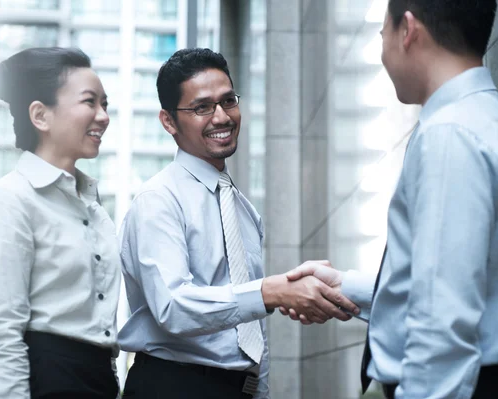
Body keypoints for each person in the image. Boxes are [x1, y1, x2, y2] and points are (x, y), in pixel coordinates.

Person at [283, 1, 498, 398]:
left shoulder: (452, 135)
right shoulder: (490, 122)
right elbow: (466, 281)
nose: (382, 48)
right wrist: (346, 285)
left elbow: (442, 323)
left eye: (382, 33)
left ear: (407, 30)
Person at [117, 48, 360, 399]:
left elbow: (249, 328)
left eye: (228, 100)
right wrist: (271, 291)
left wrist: (257, 390)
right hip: (172, 386)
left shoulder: (241, 208)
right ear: (169, 121)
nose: (222, 117)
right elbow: (174, 307)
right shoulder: (158, 199)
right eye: (202, 107)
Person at [0, 47, 121, 399]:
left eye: (105, 104)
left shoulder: (95, 209)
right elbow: (3, 332)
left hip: (98, 383)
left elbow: (100, 322)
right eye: (90, 102)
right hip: (43, 381)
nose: (103, 116)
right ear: (40, 115)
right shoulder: (12, 198)